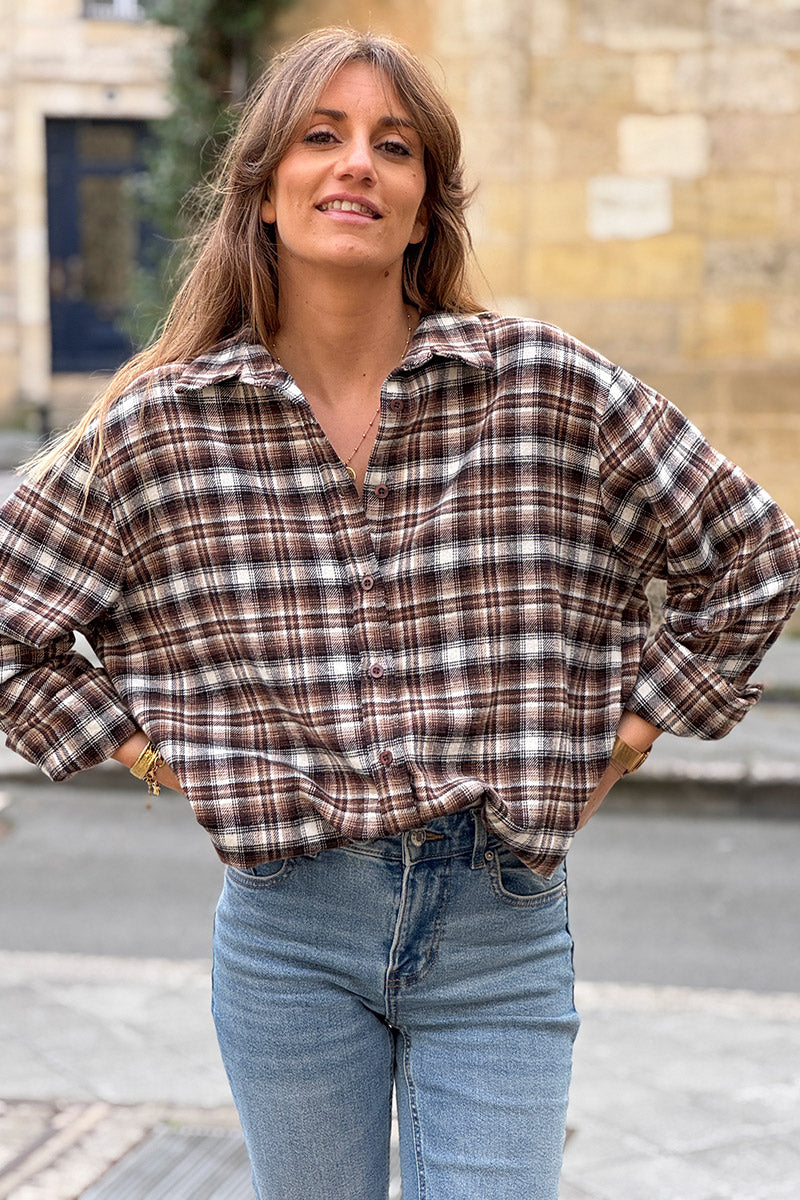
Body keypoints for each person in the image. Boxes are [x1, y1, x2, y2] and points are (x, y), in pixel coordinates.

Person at [1, 26, 799, 1200]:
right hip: (287, 934)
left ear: (424, 207)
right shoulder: (161, 431)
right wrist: (141, 749)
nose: (356, 165)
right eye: (320, 137)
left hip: (500, 928)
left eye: (394, 146)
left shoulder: (540, 385)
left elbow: (752, 553)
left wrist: (628, 736)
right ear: (264, 194)